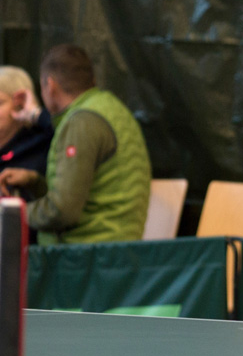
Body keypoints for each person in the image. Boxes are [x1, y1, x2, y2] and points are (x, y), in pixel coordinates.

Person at [0, 44, 151, 244]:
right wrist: (35, 182)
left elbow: (62, 211)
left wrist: (9, 214)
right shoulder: (111, 109)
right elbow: (81, 196)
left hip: (86, 253)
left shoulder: (81, 123)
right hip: (109, 249)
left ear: (50, 85)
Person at [0, 65, 55, 178]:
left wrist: (34, 113)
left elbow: (68, 130)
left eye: (0, 103)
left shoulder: (39, 144)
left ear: (21, 104)